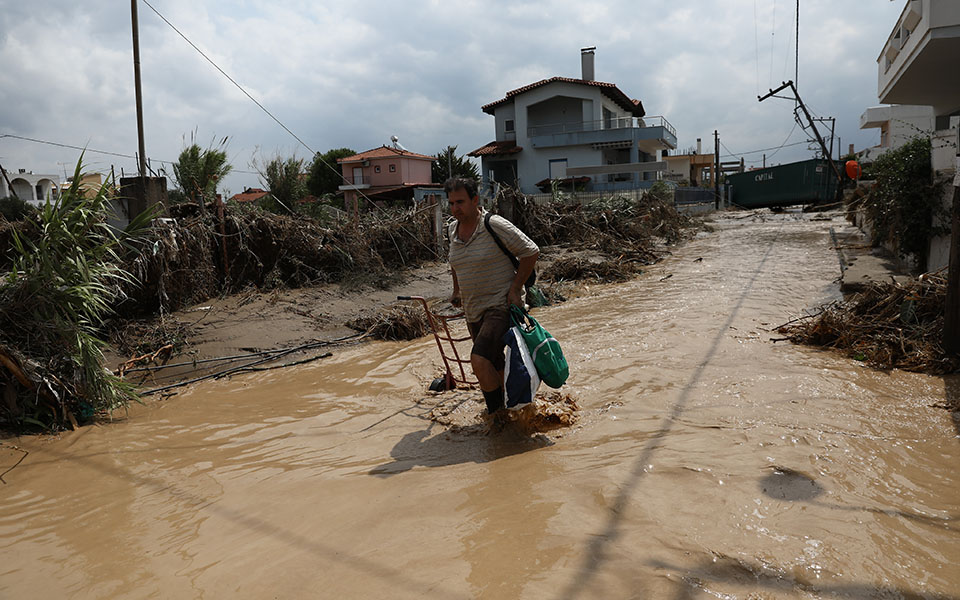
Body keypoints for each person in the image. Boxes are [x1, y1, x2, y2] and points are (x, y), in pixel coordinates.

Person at [445, 177, 539, 415]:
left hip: (500, 305)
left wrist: (516, 288)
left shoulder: (493, 224)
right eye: (452, 203)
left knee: (478, 360)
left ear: (475, 200)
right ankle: (517, 410)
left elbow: (530, 251)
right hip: (473, 308)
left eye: (460, 202)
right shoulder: (452, 229)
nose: (456, 208)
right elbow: (454, 262)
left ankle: (496, 419)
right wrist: (456, 290)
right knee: (495, 363)